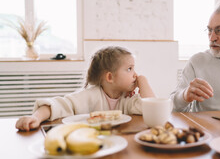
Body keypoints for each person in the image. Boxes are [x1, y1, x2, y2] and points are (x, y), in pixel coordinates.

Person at [16, 46, 155, 131]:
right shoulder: (90, 96)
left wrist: (143, 82)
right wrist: (35, 117)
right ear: (110, 77)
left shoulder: (128, 98)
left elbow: (153, 108)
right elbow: (57, 105)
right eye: (129, 69)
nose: (135, 74)